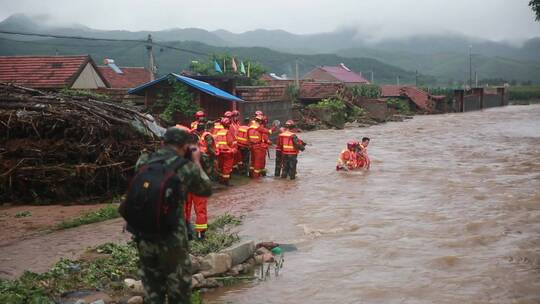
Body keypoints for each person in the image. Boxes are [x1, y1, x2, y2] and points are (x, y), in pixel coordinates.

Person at [131, 127, 212, 304]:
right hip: (172, 239)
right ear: (185, 146)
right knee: (179, 292)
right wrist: (196, 161)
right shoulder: (184, 167)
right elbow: (205, 189)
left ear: (162, 142)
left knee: (153, 290)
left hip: (145, 236)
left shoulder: (145, 160)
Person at [215, 117, 237, 185]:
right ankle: (225, 182)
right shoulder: (228, 132)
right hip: (228, 152)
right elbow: (231, 142)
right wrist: (233, 150)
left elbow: (216, 142)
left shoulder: (219, 132)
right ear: (228, 124)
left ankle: (221, 180)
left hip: (220, 152)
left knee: (221, 167)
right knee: (227, 168)